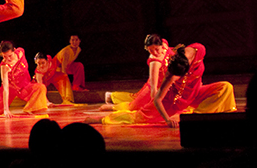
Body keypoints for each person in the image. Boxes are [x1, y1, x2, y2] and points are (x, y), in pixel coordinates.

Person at [98, 44, 236, 127]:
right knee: (140, 116)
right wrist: (167, 119)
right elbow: (158, 99)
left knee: (225, 87)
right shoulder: (170, 71)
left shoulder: (198, 50)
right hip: (174, 101)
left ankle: (197, 117)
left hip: (194, 93)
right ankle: (103, 119)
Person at [102, 34, 175, 111]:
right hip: (155, 87)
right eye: (151, 50)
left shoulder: (164, 43)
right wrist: (156, 103)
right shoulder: (154, 62)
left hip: (165, 85)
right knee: (134, 107)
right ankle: (112, 104)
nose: (155, 53)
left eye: (157, 49)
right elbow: (153, 87)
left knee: (135, 97)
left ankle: (112, 96)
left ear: (161, 45)